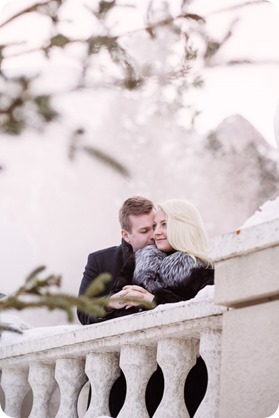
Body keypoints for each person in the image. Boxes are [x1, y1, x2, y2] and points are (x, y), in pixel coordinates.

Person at [104, 198, 214, 417]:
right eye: (155, 226)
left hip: (184, 373)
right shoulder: (138, 261)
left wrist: (154, 301)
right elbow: (112, 314)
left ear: (184, 226)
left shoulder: (206, 270)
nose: (157, 233)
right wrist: (116, 301)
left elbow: (199, 315)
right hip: (136, 369)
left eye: (164, 224)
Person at [77, 195, 155, 325]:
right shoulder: (99, 261)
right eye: (144, 231)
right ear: (126, 235)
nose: (154, 234)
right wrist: (110, 303)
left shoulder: (174, 256)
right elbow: (83, 312)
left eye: (155, 226)